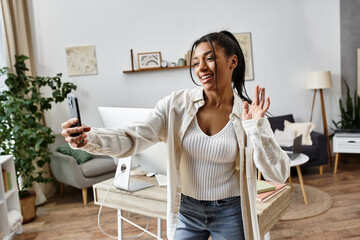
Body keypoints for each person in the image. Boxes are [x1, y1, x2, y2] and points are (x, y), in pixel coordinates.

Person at [61, 30, 290, 240]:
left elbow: (279, 173)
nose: (201, 68)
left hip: (230, 211)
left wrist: (256, 128)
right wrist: (88, 139)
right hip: (187, 210)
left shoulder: (248, 114)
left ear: (233, 62)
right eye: (196, 62)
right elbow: (134, 136)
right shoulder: (176, 105)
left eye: (209, 58)